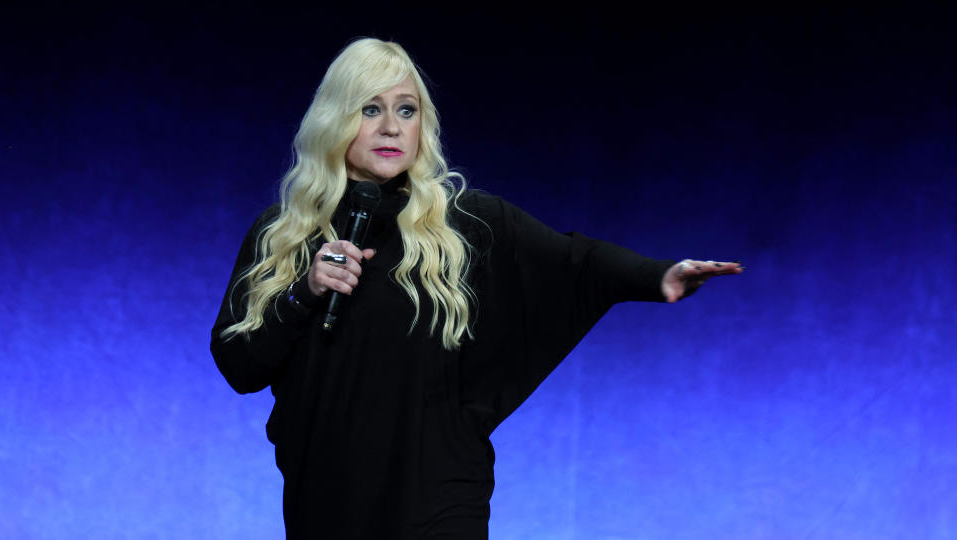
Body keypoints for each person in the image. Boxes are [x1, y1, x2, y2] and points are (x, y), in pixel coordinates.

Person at [210, 37, 743, 540]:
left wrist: (657, 275)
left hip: (440, 489)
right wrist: (304, 292)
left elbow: (574, 260)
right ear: (335, 120)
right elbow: (238, 364)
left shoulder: (465, 224)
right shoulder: (284, 234)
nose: (391, 127)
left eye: (406, 109)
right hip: (330, 494)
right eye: (370, 109)